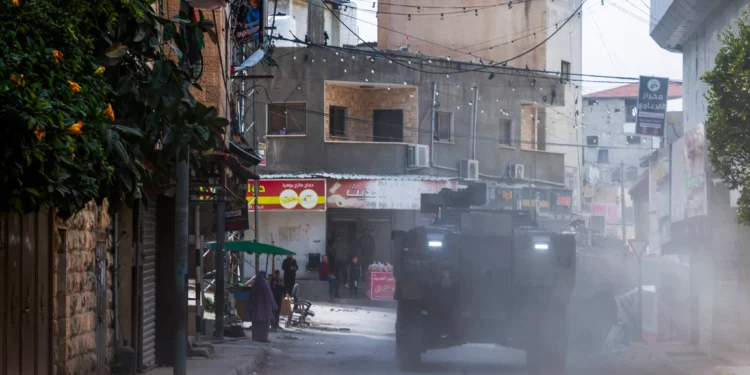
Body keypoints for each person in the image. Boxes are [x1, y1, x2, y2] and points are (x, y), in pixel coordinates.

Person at [250, 271, 277, 342]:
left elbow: (251, 297)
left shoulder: (255, 284)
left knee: (256, 324)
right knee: (264, 324)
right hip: (264, 309)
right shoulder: (265, 285)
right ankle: (263, 338)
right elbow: (270, 297)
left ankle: (255, 337)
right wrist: (274, 306)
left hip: (256, 309)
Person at [328, 233, 348, 298]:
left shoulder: (338, 243)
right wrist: (345, 255)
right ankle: (344, 281)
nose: (337, 238)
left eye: (337, 237)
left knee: (341, 271)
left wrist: (334, 255)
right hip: (341, 259)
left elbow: (331, 251)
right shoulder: (339, 243)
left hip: (338, 259)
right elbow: (347, 250)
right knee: (342, 271)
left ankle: (342, 280)